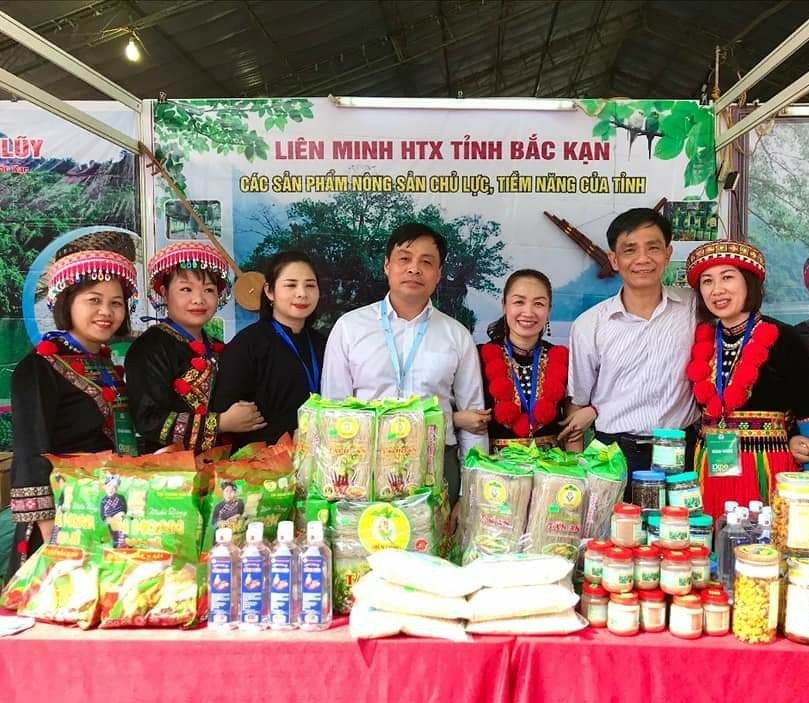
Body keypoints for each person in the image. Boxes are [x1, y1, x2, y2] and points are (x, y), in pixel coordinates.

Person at [321, 222, 487, 506]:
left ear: (439, 274)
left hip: (436, 465)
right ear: (387, 265)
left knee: (436, 537)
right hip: (364, 468)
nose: (414, 269)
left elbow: (475, 423)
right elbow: (333, 411)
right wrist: (338, 484)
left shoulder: (457, 335)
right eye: (404, 259)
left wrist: (468, 497)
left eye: (426, 262)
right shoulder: (350, 328)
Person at [8, 246, 138, 576]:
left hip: (107, 508)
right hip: (62, 519)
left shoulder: (104, 364)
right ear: (67, 302)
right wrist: (53, 536)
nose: (106, 311)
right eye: (94, 300)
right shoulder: (40, 368)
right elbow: (31, 454)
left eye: (116, 303)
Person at [560, 208, 700, 476]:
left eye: (653, 248)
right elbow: (577, 404)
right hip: (613, 455)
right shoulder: (589, 324)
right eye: (630, 250)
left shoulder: (694, 309)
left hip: (682, 452)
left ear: (668, 254)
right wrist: (575, 474)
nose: (643, 259)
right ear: (614, 260)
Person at [685, 241, 809, 518]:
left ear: (748, 283)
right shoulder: (701, 340)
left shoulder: (784, 337)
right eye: (707, 281)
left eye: (727, 277)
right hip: (711, 463)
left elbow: (805, 406)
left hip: (767, 464)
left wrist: (797, 440)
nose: (717, 289)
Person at [125, 242, 266, 453]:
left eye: (208, 290)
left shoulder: (218, 347)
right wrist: (220, 423)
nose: (199, 299)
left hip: (220, 462)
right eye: (186, 289)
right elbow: (148, 420)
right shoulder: (148, 348)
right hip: (170, 466)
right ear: (164, 293)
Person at [213, 251, 325, 448]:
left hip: (321, 455)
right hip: (263, 460)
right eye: (291, 285)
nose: (302, 293)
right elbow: (227, 411)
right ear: (269, 291)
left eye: (310, 285)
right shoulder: (247, 345)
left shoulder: (325, 344)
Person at [456, 269, 569, 450]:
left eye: (539, 304)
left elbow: (576, 412)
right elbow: (445, 406)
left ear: (549, 310)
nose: (528, 312)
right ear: (504, 305)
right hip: (493, 464)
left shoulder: (562, 358)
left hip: (551, 464)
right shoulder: (477, 356)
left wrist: (591, 411)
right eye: (519, 302)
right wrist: (456, 419)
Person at [100, 474, 127, 548]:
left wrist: (123, 513)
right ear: (105, 487)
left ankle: (122, 541)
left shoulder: (120, 497)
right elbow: (102, 512)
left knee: (120, 529)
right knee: (112, 530)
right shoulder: (103, 500)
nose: (111, 489)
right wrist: (104, 518)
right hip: (109, 518)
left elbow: (124, 507)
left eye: (114, 487)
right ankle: (116, 542)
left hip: (119, 516)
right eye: (109, 486)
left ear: (117, 489)